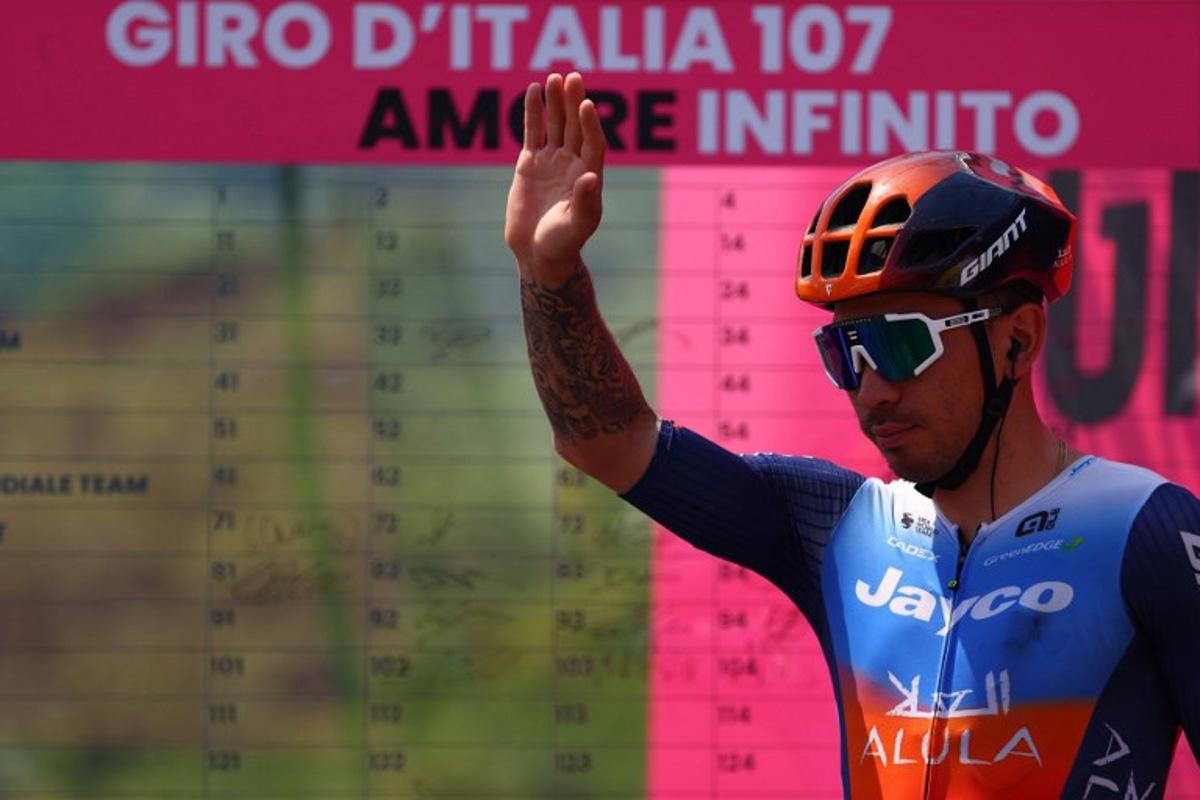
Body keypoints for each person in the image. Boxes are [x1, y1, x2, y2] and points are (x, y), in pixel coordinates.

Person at [505, 72, 1200, 798]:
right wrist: (548, 274)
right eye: (846, 353)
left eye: (901, 346)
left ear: (1018, 342)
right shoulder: (831, 524)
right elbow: (606, 441)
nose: (871, 391)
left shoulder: (1146, 531)